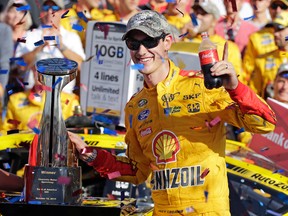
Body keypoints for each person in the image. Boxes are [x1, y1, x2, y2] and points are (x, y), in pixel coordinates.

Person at [68, 10, 276, 215]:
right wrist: (90, 154)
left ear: (167, 42)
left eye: (149, 42)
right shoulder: (135, 106)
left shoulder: (203, 87)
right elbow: (136, 171)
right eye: (134, 44)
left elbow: (265, 124)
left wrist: (235, 87)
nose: (141, 51)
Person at [15, 0, 85, 94]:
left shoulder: (71, 37)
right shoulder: (30, 35)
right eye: (46, 8)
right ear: (41, 12)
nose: (49, 12)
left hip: (63, 97)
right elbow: (19, 66)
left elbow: (83, 67)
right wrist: (40, 47)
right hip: (35, 95)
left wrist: (62, 47)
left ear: (62, 12)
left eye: (55, 8)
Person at [0, 69, 80, 133]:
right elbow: (6, 130)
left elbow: (78, 131)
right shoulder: (16, 99)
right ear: (33, 72)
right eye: (39, 70)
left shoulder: (70, 101)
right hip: (22, 151)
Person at [243, 0, 288, 84]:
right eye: (274, 6)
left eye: (283, 7)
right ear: (269, 8)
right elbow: (247, 73)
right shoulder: (255, 37)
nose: (278, 10)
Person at [248, 11, 288, 98]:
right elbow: (253, 94)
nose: (275, 34)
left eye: (280, 29)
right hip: (269, 109)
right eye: (274, 30)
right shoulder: (262, 60)